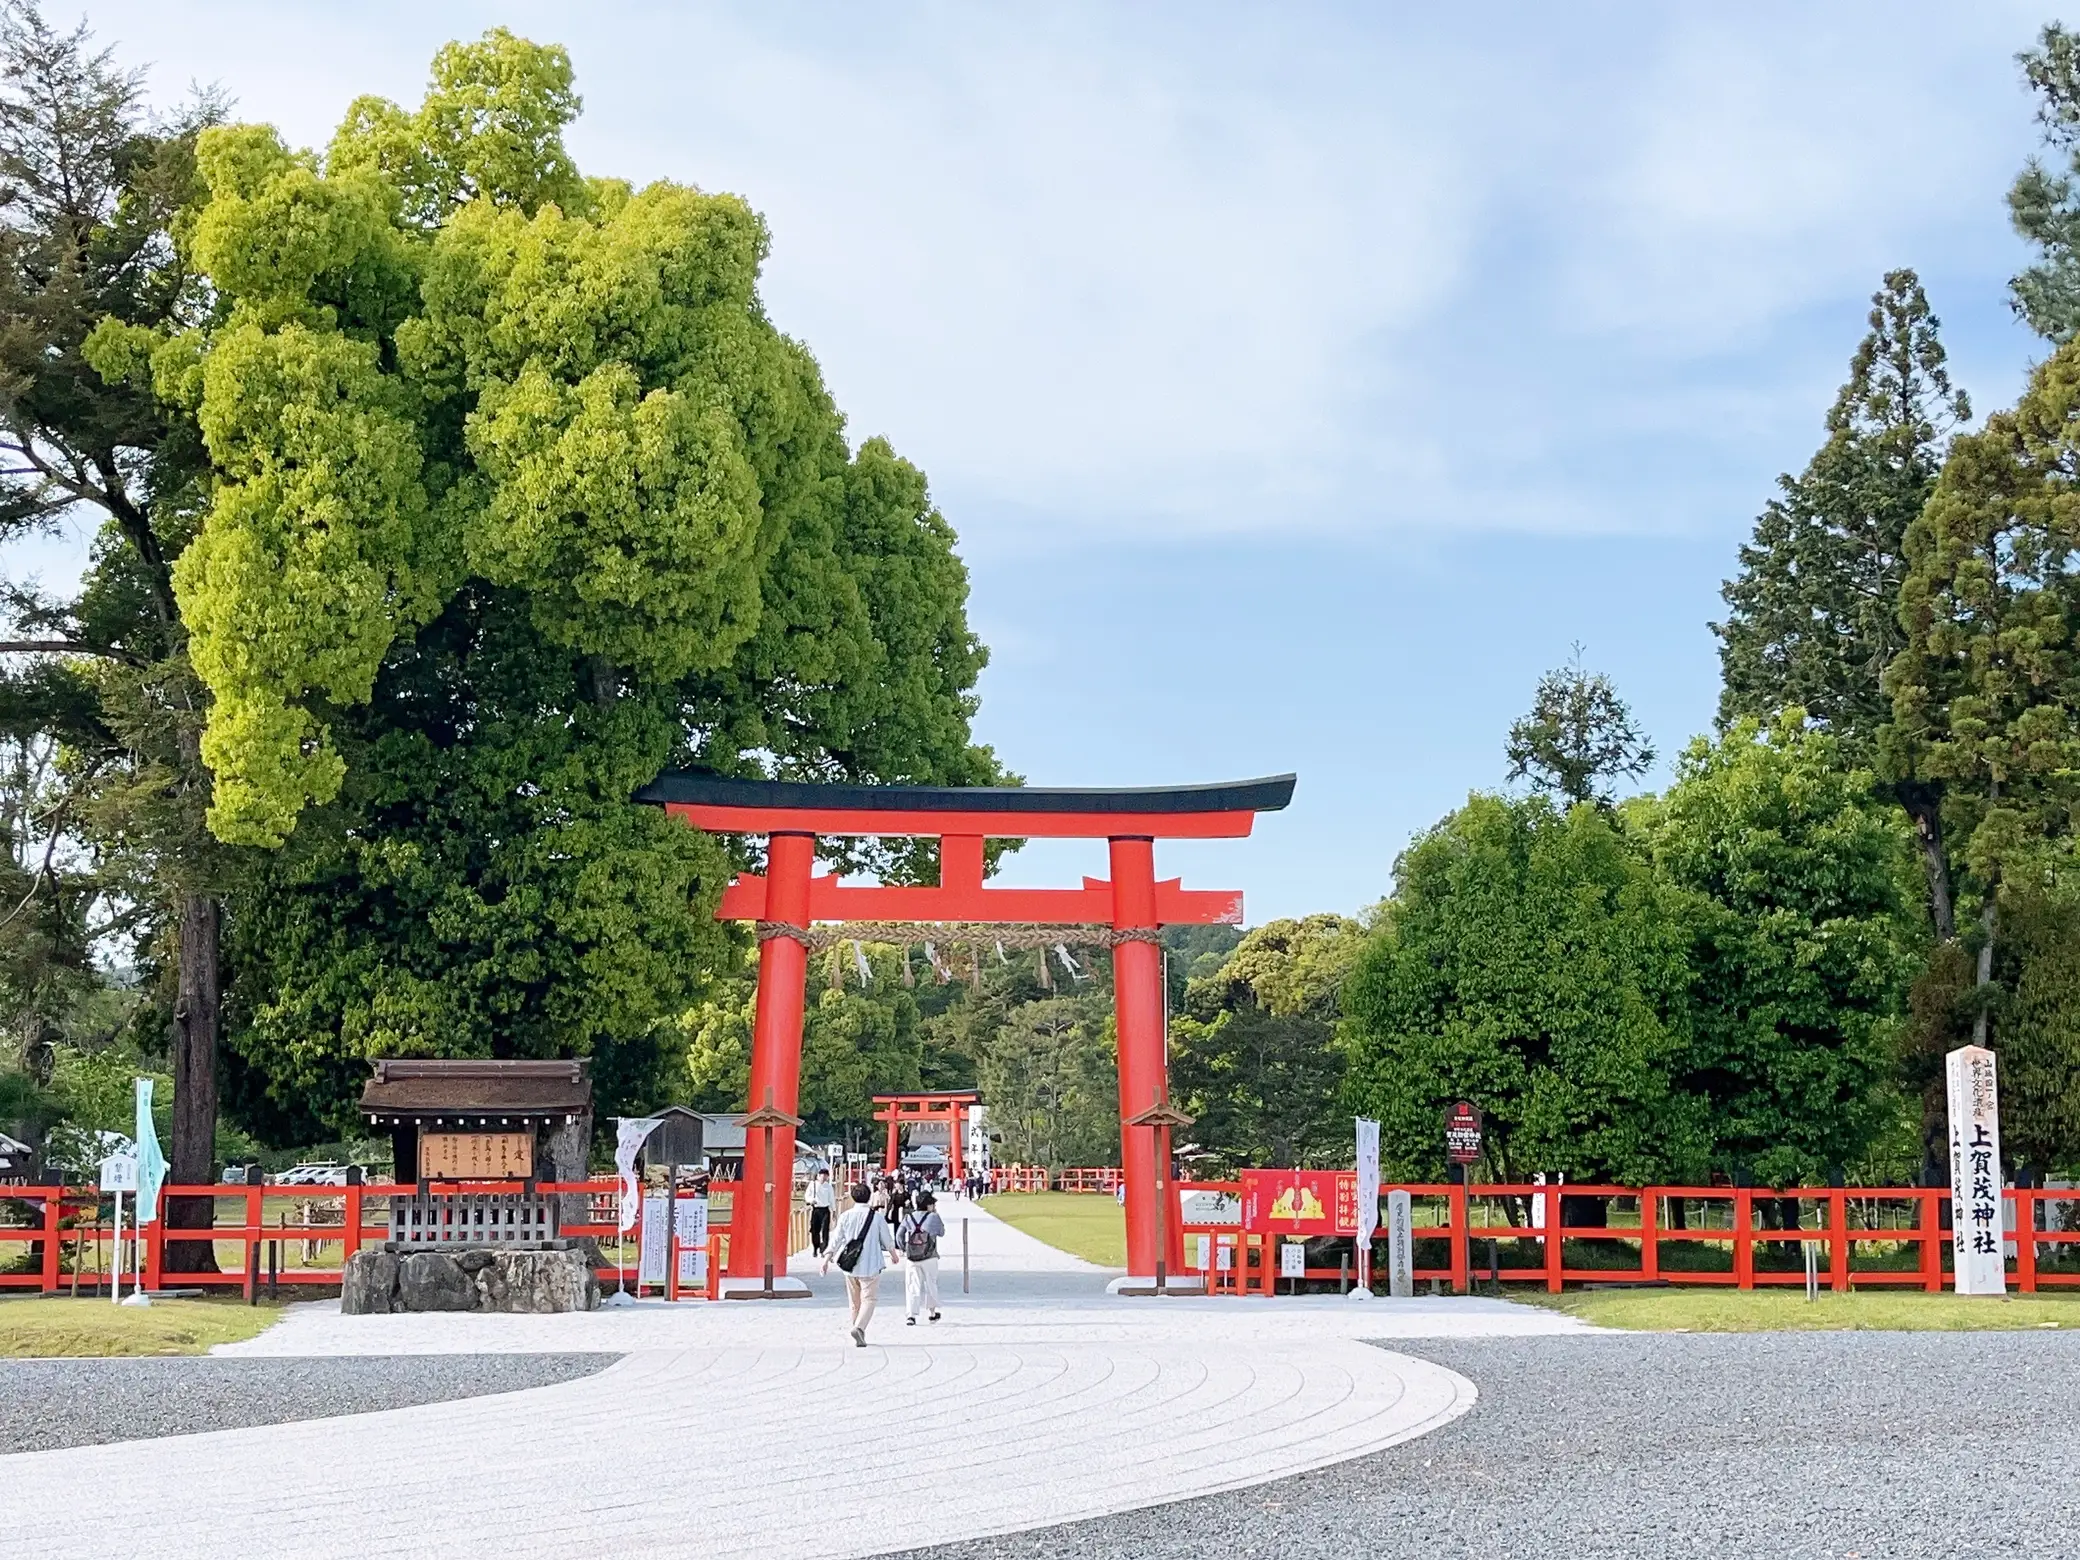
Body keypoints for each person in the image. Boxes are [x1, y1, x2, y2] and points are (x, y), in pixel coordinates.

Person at [822, 1183, 894, 1346]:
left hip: (850, 1265)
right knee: (869, 1298)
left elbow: (836, 1239)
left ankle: (857, 1329)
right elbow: (886, 1239)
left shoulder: (846, 1216)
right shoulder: (876, 1217)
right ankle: (859, 1328)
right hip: (871, 1264)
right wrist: (894, 1253)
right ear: (869, 1197)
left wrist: (827, 1259)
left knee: (854, 1302)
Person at [897, 1189, 946, 1325]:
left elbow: (899, 1236)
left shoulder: (908, 1217)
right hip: (930, 1255)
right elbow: (941, 1232)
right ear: (929, 1205)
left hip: (912, 1256)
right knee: (931, 1283)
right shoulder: (933, 1217)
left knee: (912, 1285)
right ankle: (932, 1312)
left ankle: (911, 1315)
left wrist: (904, 1248)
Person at [806, 1167, 834, 1256]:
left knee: (825, 1230)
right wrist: (811, 1200)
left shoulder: (828, 1187)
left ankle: (824, 1249)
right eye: (822, 1175)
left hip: (825, 1210)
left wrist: (834, 1210)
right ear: (818, 1176)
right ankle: (815, 1247)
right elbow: (807, 1196)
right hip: (816, 1210)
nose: (824, 1177)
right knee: (815, 1230)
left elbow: (832, 1199)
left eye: (826, 1176)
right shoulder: (813, 1184)